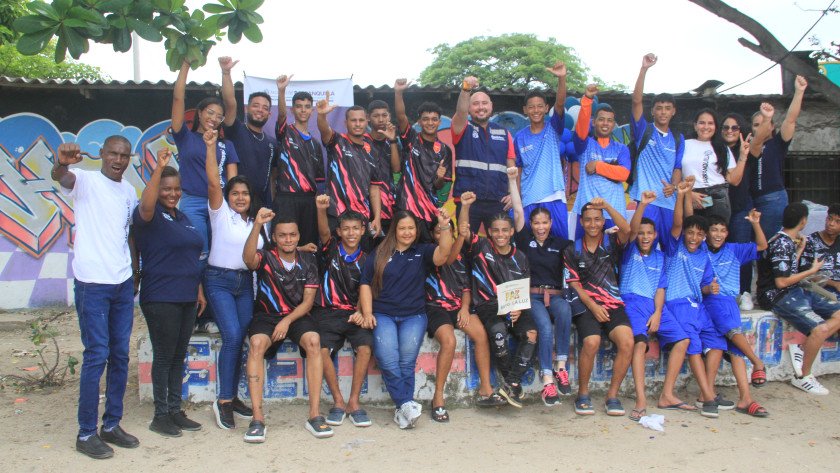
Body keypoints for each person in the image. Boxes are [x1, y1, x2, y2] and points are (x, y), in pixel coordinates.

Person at [53, 137, 140, 459]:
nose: (118, 160)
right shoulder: (85, 181)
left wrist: (135, 273)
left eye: (123, 155)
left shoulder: (129, 191)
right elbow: (62, 176)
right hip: (92, 283)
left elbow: (128, 234)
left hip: (121, 282)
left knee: (120, 355)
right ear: (102, 155)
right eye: (112, 154)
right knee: (96, 355)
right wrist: (62, 163)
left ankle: (111, 424)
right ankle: (86, 432)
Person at [359, 209, 454, 428]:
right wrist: (367, 312)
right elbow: (365, 282)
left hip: (414, 315)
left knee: (406, 362)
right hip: (383, 314)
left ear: (417, 230)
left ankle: (404, 412)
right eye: (402, 228)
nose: (407, 232)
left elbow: (444, 254)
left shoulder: (423, 251)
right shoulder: (381, 251)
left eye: (411, 228)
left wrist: (445, 226)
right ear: (394, 230)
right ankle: (406, 403)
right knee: (387, 358)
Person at [242, 208, 331, 442]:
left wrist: (287, 321)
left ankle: (314, 415)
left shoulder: (308, 260)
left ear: (299, 236)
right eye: (282, 235)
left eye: (292, 235)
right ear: (275, 238)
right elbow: (247, 259)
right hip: (267, 315)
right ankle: (257, 418)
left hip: (296, 316)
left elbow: (308, 302)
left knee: (314, 341)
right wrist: (257, 225)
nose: (288, 239)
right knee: (256, 343)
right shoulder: (266, 257)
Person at [134, 149, 205, 437]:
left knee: (178, 357)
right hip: (161, 296)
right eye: (166, 189)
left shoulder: (182, 217)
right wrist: (158, 169)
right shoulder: (149, 216)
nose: (172, 194)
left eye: (176, 189)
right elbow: (147, 202)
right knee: (164, 357)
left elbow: (190, 256)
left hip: (187, 296)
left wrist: (198, 289)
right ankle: (160, 415)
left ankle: (175, 410)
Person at [425, 191, 506, 422]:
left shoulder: (464, 256)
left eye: (448, 230)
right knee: (449, 341)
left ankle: (486, 389)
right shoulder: (433, 253)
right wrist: (458, 236)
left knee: (481, 335)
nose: (445, 235)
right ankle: (438, 398)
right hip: (436, 308)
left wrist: (464, 308)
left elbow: (467, 288)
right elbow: (449, 255)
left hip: (458, 307)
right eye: (441, 232)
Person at [202, 130, 258, 431]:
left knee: (242, 336)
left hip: (244, 284)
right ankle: (224, 400)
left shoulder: (256, 223)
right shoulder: (220, 213)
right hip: (219, 281)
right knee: (233, 336)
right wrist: (211, 147)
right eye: (235, 193)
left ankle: (232, 394)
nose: (240, 198)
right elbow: (213, 180)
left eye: (245, 194)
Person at [622, 190, 694, 421]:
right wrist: (642, 205)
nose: (644, 237)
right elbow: (631, 230)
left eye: (649, 233)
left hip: (654, 307)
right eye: (641, 233)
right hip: (631, 302)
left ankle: (667, 395)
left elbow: (660, 289)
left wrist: (658, 313)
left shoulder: (660, 256)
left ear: (655, 235)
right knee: (639, 344)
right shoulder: (630, 250)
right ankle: (641, 399)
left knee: (683, 340)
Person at [756, 202, 840, 395]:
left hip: (795, 291)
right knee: (819, 329)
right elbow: (782, 282)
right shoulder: (782, 243)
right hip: (778, 296)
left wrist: (799, 252)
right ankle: (803, 376)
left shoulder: (786, 241)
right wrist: (812, 271)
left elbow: (786, 267)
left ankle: (804, 349)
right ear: (803, 222)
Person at [563, 198, 634, 416]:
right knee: (591, 342)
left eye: (597, 219)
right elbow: (573, 283)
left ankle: (612, 396)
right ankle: (582, 394)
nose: (593, 224)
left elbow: (627, 228)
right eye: (588, 220)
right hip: (587, 305)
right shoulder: (572, 248)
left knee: (627, 342)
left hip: (613, 304)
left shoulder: (611, 242)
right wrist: (593, 306)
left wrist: (607, 207)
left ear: (603, 221)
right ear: (581, 223)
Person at [509, 167, 573, 404]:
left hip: (555, 295)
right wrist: (512, 180)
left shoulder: (562, 243)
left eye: (544, 223)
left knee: (564, 310)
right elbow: (517, 210)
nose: (540, 227)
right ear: (532, 224)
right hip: (532, 297)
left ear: (551, 222)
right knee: (545, 327)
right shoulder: (525, 240)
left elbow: (587, 244)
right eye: (536, 223)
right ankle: (547, 380)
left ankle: (561, 367)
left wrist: (610, 234)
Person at [465, 202, 538, 409]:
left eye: (505, 230)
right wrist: (465, 207)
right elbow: (463, 230)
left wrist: (518, 308)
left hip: (514, 306)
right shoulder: (480, 247)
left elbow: (523, 290)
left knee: (531, 334)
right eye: (495, 230)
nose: (500, 234)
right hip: (488, 305)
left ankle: (511, 383)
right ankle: (512, 385)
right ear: (489, 232)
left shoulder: (521, 258)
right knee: (498, 332)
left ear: (512, 231)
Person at [663, 179, 726, 418]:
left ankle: (704, 393)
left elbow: (704, 285)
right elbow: (681, 222)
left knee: (718, 342)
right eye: (691, 233)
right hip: (678, 304)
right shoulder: (675, 247)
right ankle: (709, 396)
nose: (693, 237)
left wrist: (711, 289)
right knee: (694, 346)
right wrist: (682, 195)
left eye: (699, 234)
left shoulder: (703, 255)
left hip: (697, 306)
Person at [313, 195, 374, 428]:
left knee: (365, 348)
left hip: (355, 313)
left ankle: (354, 402)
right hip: (328, 312)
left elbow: (368, 291)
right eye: (346, 229)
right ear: (338, 231)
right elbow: (322, 232)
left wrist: (360, 311)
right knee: (321, 350)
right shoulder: (330, 249)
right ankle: (338, 401)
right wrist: (321, 210)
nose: (351, 233)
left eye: (355, 229)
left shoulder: (368, 259)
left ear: (362, 231)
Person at [170, 61, 239, 267]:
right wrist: (185, 65)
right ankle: (194, 296)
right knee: (198, 251)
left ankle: (212, 296)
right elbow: (177, 98)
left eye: (219, 116)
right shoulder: (185, 138)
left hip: (220, 204)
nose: (214, 118)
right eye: (210, 112)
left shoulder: (227, 145)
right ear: (199, 113)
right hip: (192, 202)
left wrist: (233, 206)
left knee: (220, 254)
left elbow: (233, 180)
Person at [702, 211, 770, 418]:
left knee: (734, 350)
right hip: (712, 300)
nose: (718, 234)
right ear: (706, 233)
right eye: (714, 230)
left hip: (730, 302)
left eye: (723, 230)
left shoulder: (734, 250)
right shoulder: (699, 250)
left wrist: (756, 223)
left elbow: (762, 246)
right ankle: (757, 362)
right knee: (733, 333)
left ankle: (745, 399)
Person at [629, 53, 684, 239]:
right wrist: (643, 69)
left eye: (668, 108)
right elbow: (636, 101)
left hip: (669, 202)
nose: (663, 112)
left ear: (674, 111)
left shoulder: (678, 137)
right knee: (642, 245)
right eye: (659, 108)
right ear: (652, 111)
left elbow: (677, 166)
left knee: (668, 248)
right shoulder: (644, 130)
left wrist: (674, 186)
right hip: (647, 201)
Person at [513, 61, 570, 240]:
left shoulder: (553, 128)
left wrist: (561, 78)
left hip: (554, 197)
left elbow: (560, 105)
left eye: (540, 106)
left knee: (561, 247)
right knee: (530, 251)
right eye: (531, 106)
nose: (535, 110)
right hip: (530, 200)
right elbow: (518, 170)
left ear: (546, 108)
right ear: (525, 110)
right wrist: (518, 199)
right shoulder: (519, 138)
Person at [451, 76, 515, 234]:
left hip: (497, 201)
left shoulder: (504, 133)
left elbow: (512, 168)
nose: (480, 107)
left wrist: (513, 194)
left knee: (499, 248)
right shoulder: (462, 127)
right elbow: (460, 112)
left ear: (491, 106)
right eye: (475, 103)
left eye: (484, 103)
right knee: (465, 246)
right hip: (468, 201)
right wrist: (466, 90)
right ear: (469, 108)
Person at [749, 77, 808, 240]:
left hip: (773, 199)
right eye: (756, 125)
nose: (760, 127)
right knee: (755, 247)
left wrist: (799, 92)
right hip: (751, 202)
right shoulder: (747, 147)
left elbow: (790, 119)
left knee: (771, 244)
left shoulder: (777, 143)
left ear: (772, 126)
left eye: (764, 123)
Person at [316, 92, 383, 237]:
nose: (358, 124)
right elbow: (324, 130)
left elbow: (375, 188)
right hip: (336, 214)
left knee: (361, 258)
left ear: (367, 122)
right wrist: (321, 116)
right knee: (335, 257)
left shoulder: (373, 151)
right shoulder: (337, 141)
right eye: (353, 120)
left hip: (362, 217)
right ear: (345, 123)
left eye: (361, 120)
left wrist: (377, 217)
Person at [393, 78, 452, 241]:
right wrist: (398, 92)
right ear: (419, 121)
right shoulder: (411, 139)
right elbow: (400, 116)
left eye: (434, 119)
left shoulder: (445, 150)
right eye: (425, 119)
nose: (430, 123)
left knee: (426, 252)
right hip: (406, 206)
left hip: (429, 209)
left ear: (439, 122)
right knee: (404, 250)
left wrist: (440, 177)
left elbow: (439, 186)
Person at [571, 84, 630, 238]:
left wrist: (598, 166)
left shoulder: (621, 149)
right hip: (587, 212)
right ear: (594, 122)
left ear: (613, 124)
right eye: (601, 119)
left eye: (609, 120)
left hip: (614, 212)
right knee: (582, 256)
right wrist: (588, 99)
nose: (605, 123)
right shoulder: (584, 144)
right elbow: (581, 128)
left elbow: (623, 174)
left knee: (614, 257)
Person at [274, 74, 325, 247]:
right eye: (299, 106)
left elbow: (320, 181)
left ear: (312, 110)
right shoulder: (285, 133)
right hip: (286, 199)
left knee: (309, 243)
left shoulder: (316, 144)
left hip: (309, 201)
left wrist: (320, 205)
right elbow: (280, 115)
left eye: (307, 107)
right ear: (292, 110)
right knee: (286, 244)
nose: (303, 110)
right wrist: (281, 91)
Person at [219, 57, 277, 207]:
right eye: (256, 105)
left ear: (269, 114)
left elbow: (272, 179)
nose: (260, 110)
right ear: (246, 108)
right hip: (237, 204)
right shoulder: (236, 129)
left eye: (265, 108)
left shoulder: (272, 142)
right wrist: (226, 73)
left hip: (262, 205)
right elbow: (230, 103)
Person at [682, 108, 748, 223]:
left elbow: (734, 180)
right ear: (695, 125)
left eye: (710, 123)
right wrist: (688, 194)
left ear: (716, 127)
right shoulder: (684, 145)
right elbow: (675, 173)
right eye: (702, 123)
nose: (706, 127)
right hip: (691, 196)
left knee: (714, 237)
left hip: (716, 198)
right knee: (692, 235)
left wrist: (743, 156)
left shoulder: (722, 148)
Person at [720, 112, 756, 310]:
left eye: (734, 128)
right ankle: (726, 292)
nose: (730, 131)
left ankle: (744, 292)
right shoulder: (715, 150)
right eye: (726, 127)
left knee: (742, 250)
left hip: (741, 208)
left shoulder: (748, 151)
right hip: (719, 209)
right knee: (718, 251)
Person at [366, 100, 401, 235]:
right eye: (376, 116)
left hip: (390, 204)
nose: (381, 119)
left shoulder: (393, 142)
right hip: (366, 205)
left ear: (389, 117)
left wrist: (392, 140)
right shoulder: (362, 141)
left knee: (388, 247)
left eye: (384, 115)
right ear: (368, 118)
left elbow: (396, 170)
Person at [800, 203, 840, 296]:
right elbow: (805, 274)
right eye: (829, 218)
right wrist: (835, 284)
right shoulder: (810, 241)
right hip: (818, 290)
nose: (831, 224)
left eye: (838, 221)